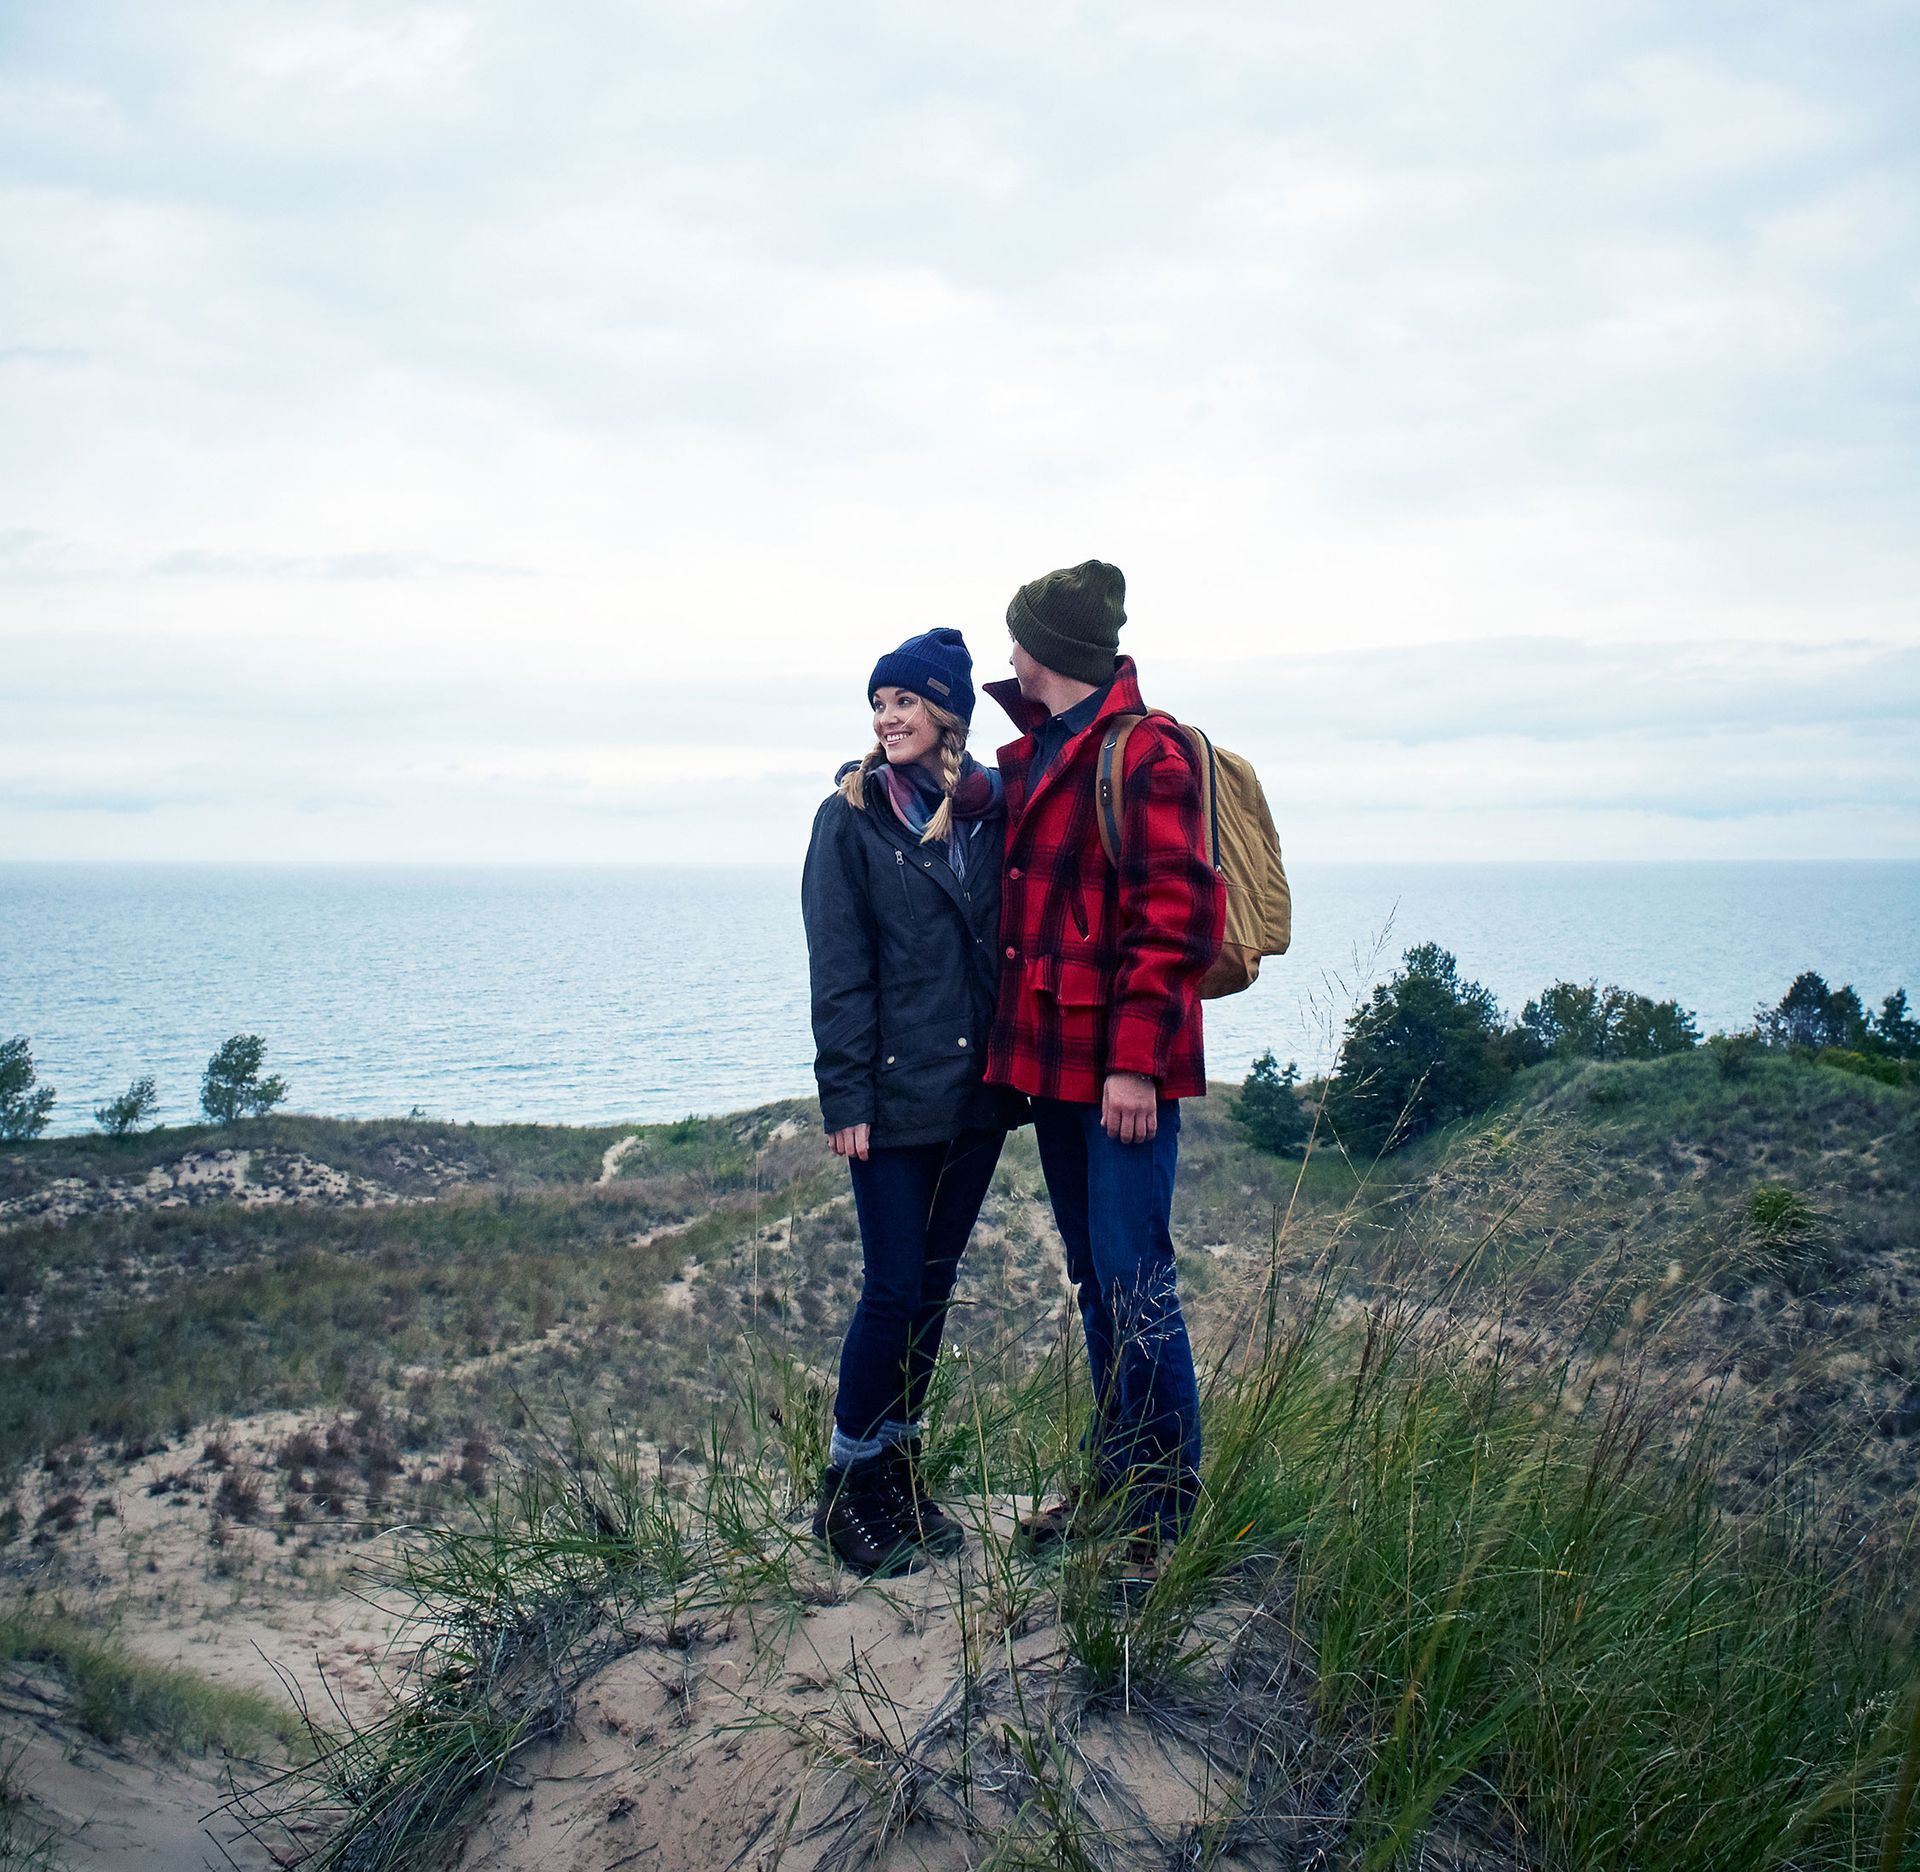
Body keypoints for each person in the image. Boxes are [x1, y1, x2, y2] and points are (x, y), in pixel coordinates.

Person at [980, 560, 1224, 1564]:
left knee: (1136, 1284)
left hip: (1120, 1070)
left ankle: (1162, 1521)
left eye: (1019, 637)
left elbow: (1176, 916)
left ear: (1052, 650)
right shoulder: (1044, 750)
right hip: (1055, 1062)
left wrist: (1135, 1065)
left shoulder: (1148, 753)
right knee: (1097, 1282)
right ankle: (1115, 1482)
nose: (1008, 653)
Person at [801, 626, 1020, 1577]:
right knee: (891, 1289)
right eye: (878, 704)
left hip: (974, 1097)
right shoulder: (849, 818)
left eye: (903, 703)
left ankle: (898, 1468)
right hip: (889, 1101)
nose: (887, 718)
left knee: (932, 1291)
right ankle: (848, 1487)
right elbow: (838, 968)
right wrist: (844, 1092)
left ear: (947, 718)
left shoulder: (987, 813)